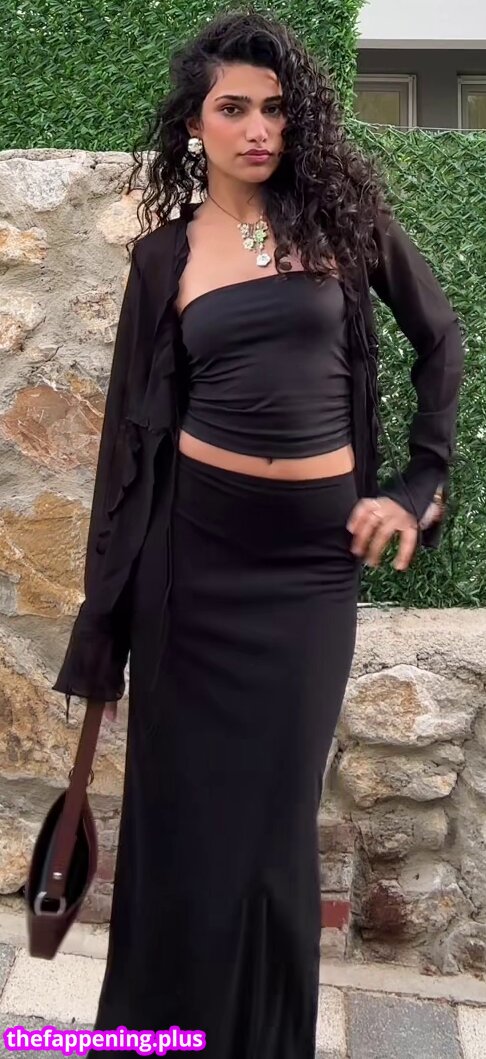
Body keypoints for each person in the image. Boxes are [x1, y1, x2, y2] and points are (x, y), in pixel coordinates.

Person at [52, 10, 464, 1059]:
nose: (258, 129)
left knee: (275, 827)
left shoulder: (344, 224)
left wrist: (418, 482)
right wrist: (105, 621)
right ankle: (160, 1038)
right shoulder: (165, 257)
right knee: (181, 824)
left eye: (275, 109)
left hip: (306, 575)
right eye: (232, 109)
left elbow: (439, 338)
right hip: (192, 567)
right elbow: (127, 446)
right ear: (194, 125)